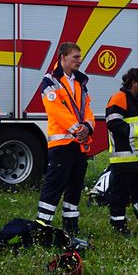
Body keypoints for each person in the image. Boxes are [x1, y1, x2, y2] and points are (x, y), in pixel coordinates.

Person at [35, 42, 94, 238]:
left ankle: (71, 226)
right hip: (61, 144)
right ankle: (42, 226)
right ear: (63, 58)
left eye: (80, 57)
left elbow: (87, 109)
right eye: (76, 57)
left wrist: (87, 127)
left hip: (78, 143)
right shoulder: (50, 81)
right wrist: (79, 130)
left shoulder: (80, 82)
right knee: (54, 185)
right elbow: (56, 110)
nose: (80, 60)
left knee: (75, 186)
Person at [105, 68, 138, 236]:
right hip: (123, 159)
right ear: (134, 83)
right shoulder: (119, 98)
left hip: (137, 157)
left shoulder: (135, 100)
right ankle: (119, 225)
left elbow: (131, 121)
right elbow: (113, 124)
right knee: (120, 194)